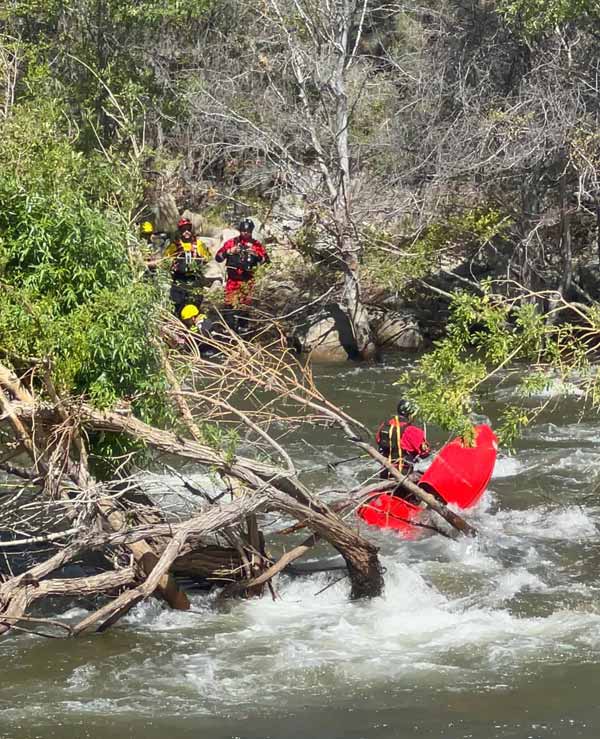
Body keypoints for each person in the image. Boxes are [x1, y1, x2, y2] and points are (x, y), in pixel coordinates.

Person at [214, 218, 268, 309]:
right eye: (243, 230)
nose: (245, 233)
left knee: (244, 311)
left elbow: (267, 262)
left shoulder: (256, 245)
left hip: (248, 283)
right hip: (232, 281)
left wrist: (256, 255)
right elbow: (218, 258)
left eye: (248, 231)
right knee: (229, 309)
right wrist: (229, 251)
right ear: (240, 230)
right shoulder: (231, 243)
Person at [375, 399, 430, 484]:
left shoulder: (384, 426)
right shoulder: (412, 431)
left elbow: (378, 440)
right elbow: (424, 453)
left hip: (384, 473)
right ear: (410, 415)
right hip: (403, 476)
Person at [166, 217, 211, 314]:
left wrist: (200, 258)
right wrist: (174, 260)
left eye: (188, 229)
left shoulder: (199, 244)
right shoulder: (174, 245)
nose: (186, 232)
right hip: (179, 279)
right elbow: (165, 260)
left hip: (194, 279)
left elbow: (208, 258)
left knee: (195, 304)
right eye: (183, 229)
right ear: (180, 231)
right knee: (177, 305)